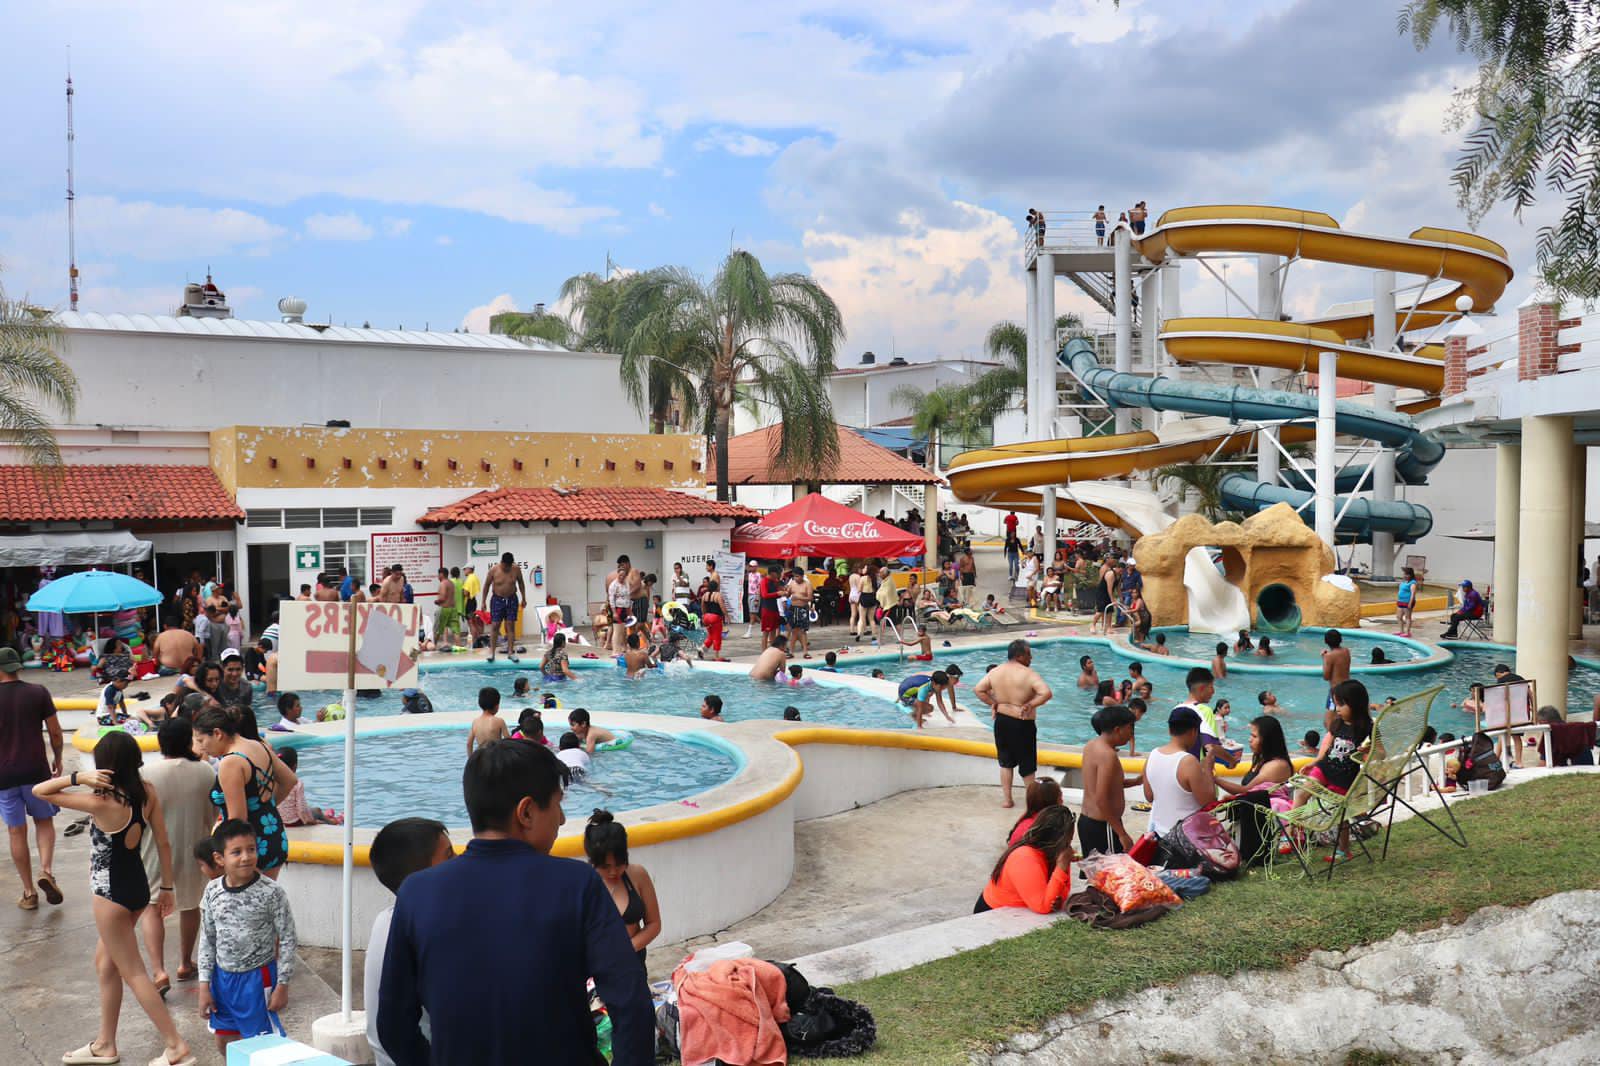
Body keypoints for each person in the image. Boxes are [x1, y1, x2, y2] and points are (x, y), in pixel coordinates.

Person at [377, 739, 653, 1064]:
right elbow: (631, 1004)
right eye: (557, 805)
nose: (562, 819)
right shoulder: (576, 884)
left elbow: (394, 1024)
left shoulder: (416, 893)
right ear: (526, 812)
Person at [34, 731, 193, 1066]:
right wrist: (166, 888)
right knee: (105, 965)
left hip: (110, 894)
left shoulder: (100, 801)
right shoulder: (146, 793)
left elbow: (41, 791)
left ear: (104, 766)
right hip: (137, 887)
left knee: (133, 972)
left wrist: (77, 777)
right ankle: (105, 1044)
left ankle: (175, 1046)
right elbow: (163, 843)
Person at [196, 819, 297, 1051]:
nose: (246, 857)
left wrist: (283, 985)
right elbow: (207, 939)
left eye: (251, 849)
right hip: (222, 980)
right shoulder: (212, 890)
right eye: (237, 852)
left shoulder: (271, 892)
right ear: (220, 858)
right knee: (224, 1040)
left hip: (257, 980)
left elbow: (289, 938)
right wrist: (204, 986)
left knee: (262, 1046)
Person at [139, 718, 224, 990]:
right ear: (188, 740)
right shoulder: (206, 772)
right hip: (195, 847)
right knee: (190, 905)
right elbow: (213, 813)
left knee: (151, 907)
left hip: (153, 848)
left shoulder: (146, 774)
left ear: (160, 742)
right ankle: (186, 963)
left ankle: (158, 971)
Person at [365, 818, 453, 1066]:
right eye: (449, 856)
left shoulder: (386, 919)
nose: (459, 864)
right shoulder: (424, 930)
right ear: (419, 877)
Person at [194, 707, 296, 880]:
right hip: (274, 834)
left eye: (201, 740)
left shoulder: (231, 762)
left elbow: (237, 820)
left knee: (244, 905)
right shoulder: (259, 745)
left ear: (218, 733)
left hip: (247, 848)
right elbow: (289, 780)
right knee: (265, 901)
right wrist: (264, 807)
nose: (202, 748)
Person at [2, 646, 64, 911]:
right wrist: (58, 758)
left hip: (3, 776)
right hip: (36, 771)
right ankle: (46, 871)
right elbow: (56, 732)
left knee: (16, 831)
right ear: (18, 667)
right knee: (44, 821)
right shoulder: (38, 692)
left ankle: (29, 892)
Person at [1289, 679, 1374, 862]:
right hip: (1325, 768)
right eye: (1336, 704)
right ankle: (1291, 833)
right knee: (1302, 793)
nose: (1337, 709)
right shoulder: (1338, 724)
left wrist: (1369, 751)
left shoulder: (1368, 728)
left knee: (1339, 815)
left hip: (1344, 777)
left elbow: (1381, 754)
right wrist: (1315, 762)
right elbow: (1329, 749)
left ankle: (1344, 850)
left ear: (1356, 704)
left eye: (1341, 705)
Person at [973, 639, 1052, 808]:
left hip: (1002, 721)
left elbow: (978, 689)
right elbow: (1046, 693)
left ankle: (1007, 800)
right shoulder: (1029, 673)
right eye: (1028, 654)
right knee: (1028, 766)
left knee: (1005, 762)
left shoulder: (996, 671)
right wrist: (1031, 704)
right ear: (1019, 655)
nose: (1031, 658)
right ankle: (1033, 803)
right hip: (1022, 722)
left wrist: (993, 703)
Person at [584, 811, 661, 972]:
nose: (613, 872)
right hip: (598, 967)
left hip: (633, 961)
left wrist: (625, 950)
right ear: (593, 862)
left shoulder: (637, 874)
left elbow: (654, 924)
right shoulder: (584, 883)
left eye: (619, 864)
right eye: (605, 867)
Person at [1217, 716, 1296, 865]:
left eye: (1254, 736)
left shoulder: (1276, 765)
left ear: (1267, 739)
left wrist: (1214, 779)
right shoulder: (1260, 759)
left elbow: (1245, 789)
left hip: (1265, 812)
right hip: (1254, 807)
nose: (1249, 740)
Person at [976, 804, 1074, 914]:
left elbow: (1062, 895)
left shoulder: (1050, 853)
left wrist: (1064, 865)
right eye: (1068, 842)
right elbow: (1042, 906)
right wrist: (1062, 865)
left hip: (1015, 913)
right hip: (993, 912)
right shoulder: (1025, 857)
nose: (1069, 846)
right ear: (1058, 840)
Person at [1143, 706, 1217, 839]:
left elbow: (1149, 796)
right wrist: (1207, 769)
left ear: (1170, 729)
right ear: (1194, 731)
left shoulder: (1152, 755)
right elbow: (1209, 803)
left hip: (1160, 834)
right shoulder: (1188, 761)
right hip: (1185, 839)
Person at [1080, 704, 1139, 854]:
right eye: (1130, 728)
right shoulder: (1108, 755)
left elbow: (1107, 785)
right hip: (1104, 824)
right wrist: (1122, 833)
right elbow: (1101, 799)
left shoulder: (1091, 745)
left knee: (1096, 874)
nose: (1131, 733)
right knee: (1111, 874)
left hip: (1088, 822)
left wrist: (1138, 781)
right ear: (1118, 730)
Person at [273, 750, 340, 826]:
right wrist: (312, 821)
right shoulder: (297, 783)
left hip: (278, 821)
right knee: (317, 811)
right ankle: (333, 822)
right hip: (293, 822)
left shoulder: (273, 781)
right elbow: (302, 810)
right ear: (295, 766)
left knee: (311, 810)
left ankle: (324, 817)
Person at [482, 552, 528, 663]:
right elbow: (486, 585)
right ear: (501, 562)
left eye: (509, 566)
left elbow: (521, 583)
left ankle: (510, 652)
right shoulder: (494, 570)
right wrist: (483, 601)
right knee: (495, 625)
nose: (507, 568)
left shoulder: (516, 569)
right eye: (505, 566)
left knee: (510, 626)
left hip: (512, 599)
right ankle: (492, 652)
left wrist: (523, 598)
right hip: (497, 599)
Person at [1007, 777, 1063, 845]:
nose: (1062, 801)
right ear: (1051, 802)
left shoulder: (1025, 820)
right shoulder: (1045, 828)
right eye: (1060, 797)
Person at [468, 687, 510, 756]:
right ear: (497, 705)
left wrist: (471, 759)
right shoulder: (499, 721)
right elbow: (508, 741)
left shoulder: (475, 722)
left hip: (482, 757)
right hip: (495, 757)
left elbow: (469, 744)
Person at [699, 560, 727, 661]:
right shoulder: (712, 575)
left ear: (711, 566)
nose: (706, 567)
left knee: (712, 634)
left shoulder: (714, 575)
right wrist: (726, 615)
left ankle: (702, 649)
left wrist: (703, 614)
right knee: (716, 635)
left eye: (707, 566)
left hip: (711, 604)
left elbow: (716, 588)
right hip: (714, 608)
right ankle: (716, 655)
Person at [433, 568, 458, 648]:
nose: (438, 576)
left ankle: (433, 646)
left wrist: (437, 601)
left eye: (438, 574)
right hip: (453, 609)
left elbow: (443, 597)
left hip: (444, 608)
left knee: (437, 630)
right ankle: (459, 646)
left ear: (441, 574)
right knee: (456, 630)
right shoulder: (451, 583)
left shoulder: (443, 583)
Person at [1395, 566, 1418, 636]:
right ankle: (1401, 631)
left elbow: (1413, 594)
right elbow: (1400, 591)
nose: (1404, 575)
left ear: (1410, 575)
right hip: (1400, 601)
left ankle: (1407, 632)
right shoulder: (1403, 582)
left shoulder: (1412, 583)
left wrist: (1410, 603)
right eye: (1404, 574)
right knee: (1398, 617)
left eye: (1406, 574)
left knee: (1407, 617)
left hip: (1407, 602)